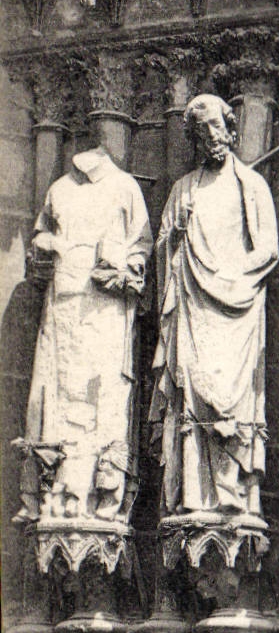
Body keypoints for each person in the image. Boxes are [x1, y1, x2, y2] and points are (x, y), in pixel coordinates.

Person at [150, 95, 279, 518]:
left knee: (233, 400)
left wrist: (230, 274)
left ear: (231, 129)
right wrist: (176, 235)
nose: (213, 140)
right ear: (194, 141)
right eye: (203, 135)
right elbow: (162, 248)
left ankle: (234, 494)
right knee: (194, 395)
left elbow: (269, 250)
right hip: (193, 307)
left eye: (218, 130)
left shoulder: (252, 185)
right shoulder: (183, 189)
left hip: (237, 309)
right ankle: (194, 494)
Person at [15, 146, 151, 528]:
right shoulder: (59, 189)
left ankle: (100, 491)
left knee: (102, 398)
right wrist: (43, 250)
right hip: (62, 310)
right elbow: (39, 243)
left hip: (105, 310)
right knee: (59, 398)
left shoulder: (125, 187)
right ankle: (57, 493)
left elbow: (141, 245)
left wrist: (126, 268)